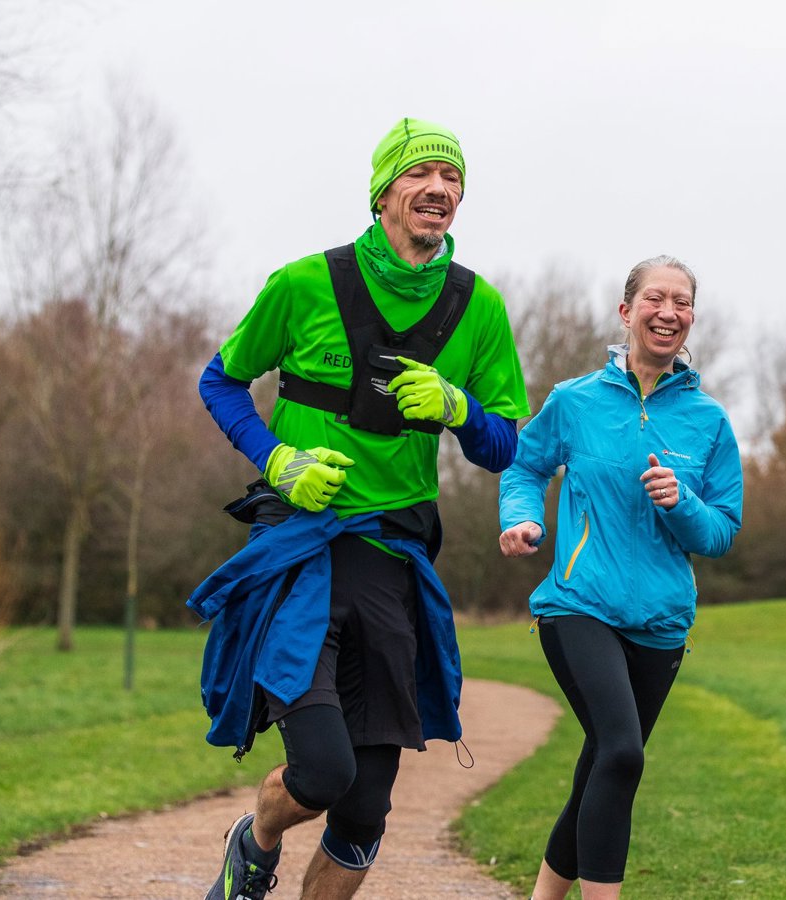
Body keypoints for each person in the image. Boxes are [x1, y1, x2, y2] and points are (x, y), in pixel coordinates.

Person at [189, 117, 529, 900]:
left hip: (392, 557)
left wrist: (456, 407)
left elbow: (503, 445)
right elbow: (220, 379)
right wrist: (279, 459)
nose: (438, 190)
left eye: (452, 179)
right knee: (322, 770)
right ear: (382, 192)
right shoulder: (304, 283)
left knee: (365, 809)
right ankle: (259, 835)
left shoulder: (478, 307)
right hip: (300, 549)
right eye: (418, 175)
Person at [498, 255, 743, 899]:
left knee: (600, 766)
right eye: (656, 298)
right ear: (626, 310)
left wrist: (681, 502)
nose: (669, 312)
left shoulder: (709, 421)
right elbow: (524, 468)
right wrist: (525, 522)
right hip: (579, 604)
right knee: (624, 754)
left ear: (691, 318)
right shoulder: (574, 401)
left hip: (661, 623)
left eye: (682, 302)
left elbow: (720, 531)